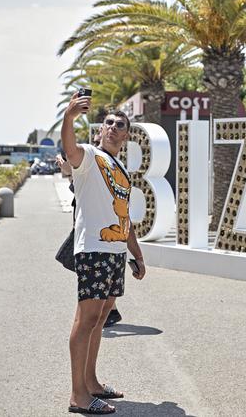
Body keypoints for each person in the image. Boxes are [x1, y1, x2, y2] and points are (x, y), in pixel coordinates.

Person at [62, 93, 146, 415]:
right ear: (100, 130)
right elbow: (70, 149)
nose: (113, 127)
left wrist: (136, 254)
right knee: (86, 321)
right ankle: (78, 396)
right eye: (108, 123)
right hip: (94, 250)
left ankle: (92, 383)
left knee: (99, 319)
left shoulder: (120, 169)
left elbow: (124, 218)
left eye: (119, 125)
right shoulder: (88, 157)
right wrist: (69, 117)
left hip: (113, 252)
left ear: (125, 136)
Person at [58, 134, 123, 329]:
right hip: (92, 233)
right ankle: (107, 311)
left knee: (89, 311)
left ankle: (109, 311)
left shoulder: (104, 163)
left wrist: (69, 172)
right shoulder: (97, 161)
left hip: (96, 237)